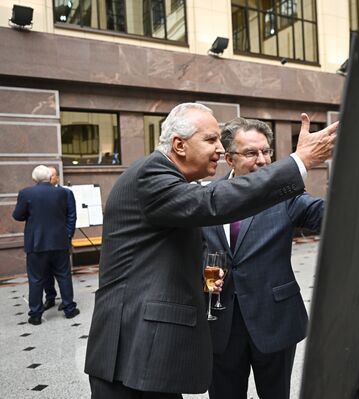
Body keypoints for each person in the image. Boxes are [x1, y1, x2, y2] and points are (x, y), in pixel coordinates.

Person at [84, 103, 337, 398]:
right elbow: (213, 201)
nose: (219, 149)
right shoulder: (151, 175)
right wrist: (299, 161)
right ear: (179, 145)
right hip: (131, 348)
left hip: (155, 347)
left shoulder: (174, 184)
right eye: (211, 140)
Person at [202, 118, 324, 399]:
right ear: (229, 159)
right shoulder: (207, 197)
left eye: (267, 151)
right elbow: (194, 249)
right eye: (251, 153)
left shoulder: (285, 195)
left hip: (275, 320)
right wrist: (201, 273)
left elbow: (325, 213)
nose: (263, 160)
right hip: (221, 324)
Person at [12, 165, 80, 325]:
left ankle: (35, 315)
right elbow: (69, 214)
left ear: (34, 178)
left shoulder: (26, 193)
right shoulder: (64, 193)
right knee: (64, 275)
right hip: (59, 242)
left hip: (36, 244)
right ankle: (69, 309)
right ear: (49, 177)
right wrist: (67, 234)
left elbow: (17, 215)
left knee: (35, 279)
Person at [43, 166, 77, 311]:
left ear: (57, 177)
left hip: (61, 239)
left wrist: (68, 233)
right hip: (43, 241)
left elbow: (71, 215)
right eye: (48, 176)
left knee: (63, 273)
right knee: (45, 272)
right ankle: (50, 297)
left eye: (52, 176)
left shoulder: (66, 193)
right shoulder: (39, 192)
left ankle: (67, 300)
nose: (50, 178)